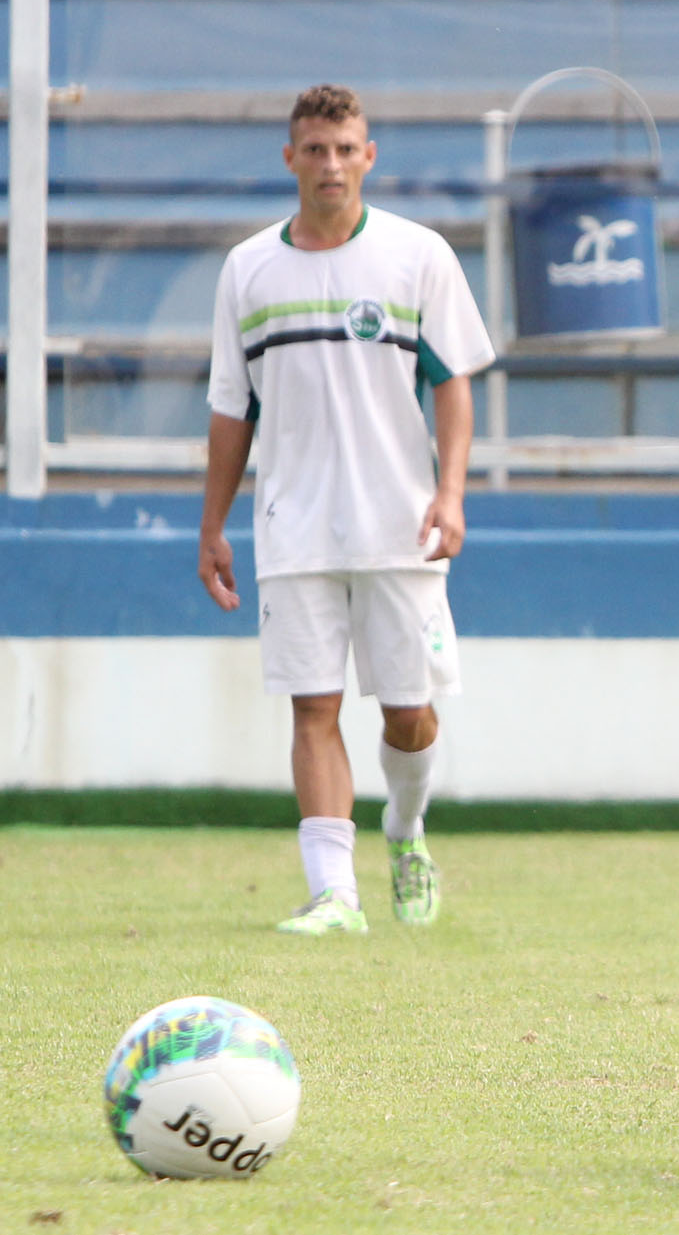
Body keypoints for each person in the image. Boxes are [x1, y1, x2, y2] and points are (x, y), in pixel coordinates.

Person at [198, 83, 495, 936]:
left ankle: (405, 831)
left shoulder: (418, 255)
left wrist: (450, 492)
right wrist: (213, 525)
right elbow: (231, 408)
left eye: (346, 148)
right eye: (315, 149)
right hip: (292, 526)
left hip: (401, 526)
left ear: (369, 156)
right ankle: (336, 893)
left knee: (409, 712)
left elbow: (453, 383)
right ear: (290, 158)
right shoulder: (248, 268)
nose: (331, 164)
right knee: (313, 705)